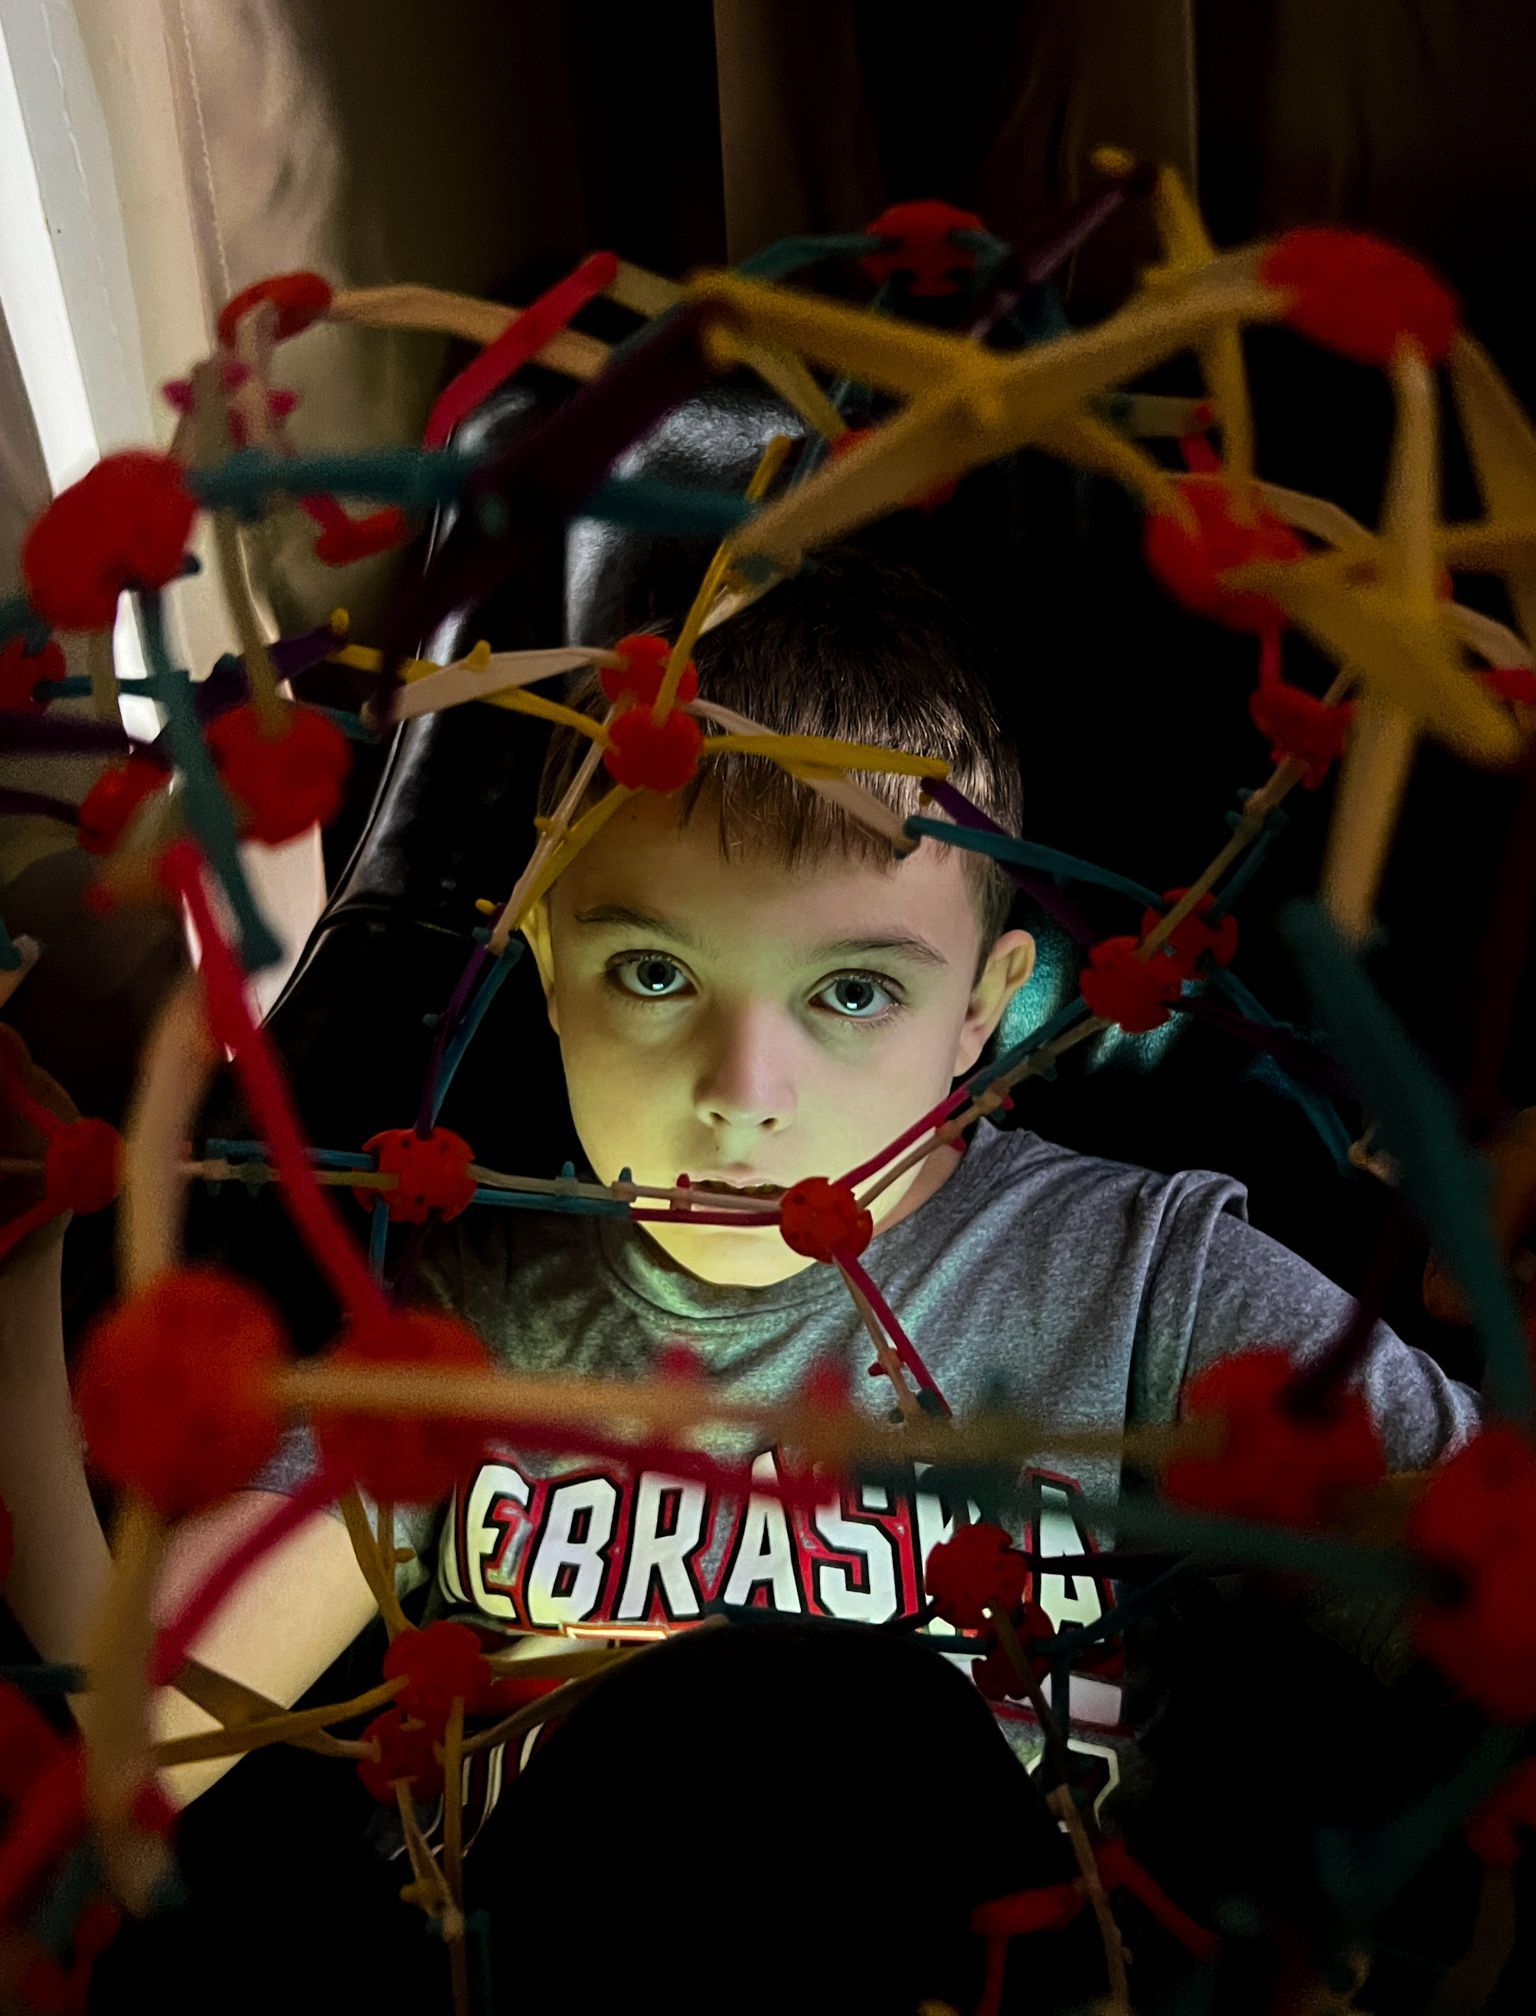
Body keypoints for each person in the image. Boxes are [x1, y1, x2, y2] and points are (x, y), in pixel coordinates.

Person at [0, 550, 1487, 2001]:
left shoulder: (1151, 1290)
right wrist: (23, 1237)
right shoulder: (454, 1333)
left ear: (984, 1010)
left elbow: (1498, 1603)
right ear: (548, 965)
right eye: (655, 974)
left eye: (853, 992)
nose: (743, 1090)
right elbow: (138, 1745)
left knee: (834, 1724)